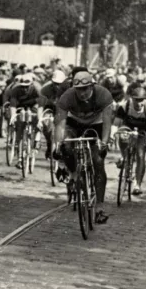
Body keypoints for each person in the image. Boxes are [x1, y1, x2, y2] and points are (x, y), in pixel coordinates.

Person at [53, 70, 113, 224]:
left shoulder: (103, 94)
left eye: (85, 89)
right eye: (79, 90)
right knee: (66, 146)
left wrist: (104, 143)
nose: (82, 93)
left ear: (92, 86)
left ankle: (99, 207)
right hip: (74, 125)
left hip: (97, 125)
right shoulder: (66, 97)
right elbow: (60, 125)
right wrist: (58, 145)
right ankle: (73, 173)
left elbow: (107, 123)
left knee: (97, 161)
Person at [114, 85, 146, 195]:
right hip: (128, 128)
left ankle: (137, 185)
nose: (139, 103)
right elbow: (116, 124)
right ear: (131, 99)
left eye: (141, 100)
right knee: (122, 136)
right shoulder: (125, 106)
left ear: (145, 99)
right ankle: (124, 158)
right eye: (136, 100)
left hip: (143, 132)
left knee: (140, 155)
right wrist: (112, 135)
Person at [8, 73, 44, 167]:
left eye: (27, 87)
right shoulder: (15, 89)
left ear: (32, 84)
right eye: (23, 87)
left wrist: (39, 119)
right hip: (20, 105)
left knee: (37, 120)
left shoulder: (37, 88)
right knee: (19, 127)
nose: (25, 89)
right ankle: (20, 158)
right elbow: (13, 105)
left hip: (34, 104)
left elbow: (40, 106)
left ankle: (36, 139)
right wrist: (13, 116)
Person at [40, 69, 66, 158]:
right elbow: (40, 105)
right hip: (50, 107)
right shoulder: (45, 89)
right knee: (46, 124)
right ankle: (49, 143)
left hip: (63, 108)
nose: (57, 86)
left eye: (59, 84)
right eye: (55, 83)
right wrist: (40, 119)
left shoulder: (69, 88)